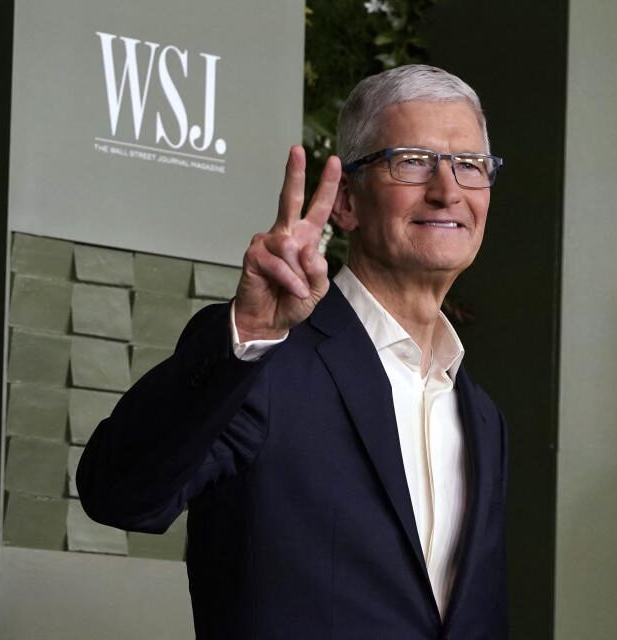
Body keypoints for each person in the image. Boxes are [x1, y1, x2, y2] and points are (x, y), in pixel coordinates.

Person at [77, 64, 508, 639]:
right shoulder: (265, 359)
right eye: (412, 160)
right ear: (347, 203)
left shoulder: (482, 416)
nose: (448, 189)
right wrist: (250, 331)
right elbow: (120, 497)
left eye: (469, 165)